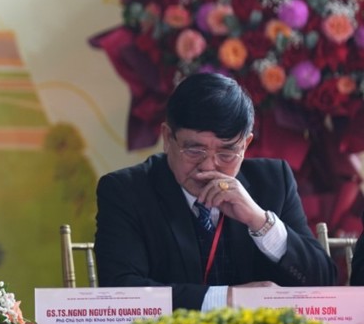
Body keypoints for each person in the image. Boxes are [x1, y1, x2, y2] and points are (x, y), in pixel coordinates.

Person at [95, 72, 336, 310]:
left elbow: (324, 282)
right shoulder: (125, 191)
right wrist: (227, 299)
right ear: (167, 138)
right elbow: (119, 292)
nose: (209, 166)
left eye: (227, 153)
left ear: (246, 145)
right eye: (194, 151)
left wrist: (260, 221)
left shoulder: (273, 182)